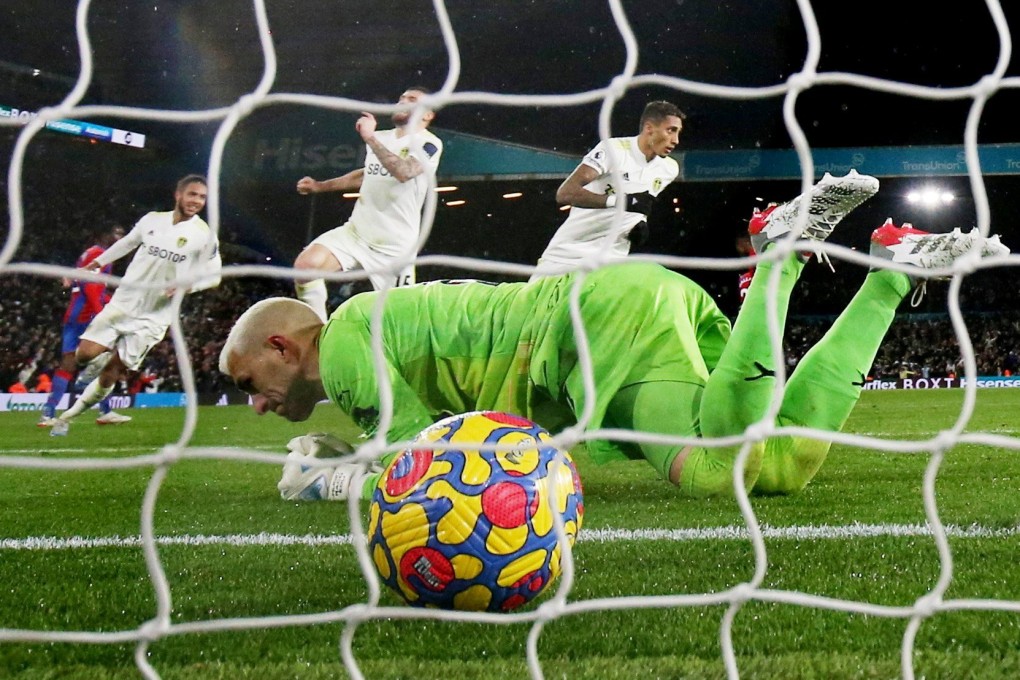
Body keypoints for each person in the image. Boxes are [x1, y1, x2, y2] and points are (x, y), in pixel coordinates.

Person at [218, 170, 1010, 502]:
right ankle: (890, 276)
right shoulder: (364, 333)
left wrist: (324, 479)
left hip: (589, 332)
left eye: (250, 384)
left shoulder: (349, 341)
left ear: (285, 348)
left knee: (716, 472)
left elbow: (433, 472)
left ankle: (778, 258)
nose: (254, 407)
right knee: (777, 470)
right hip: (614, 314)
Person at [49, 175, 222, 436]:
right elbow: (127, 243)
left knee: (113, 371)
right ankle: (103, 359)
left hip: (154, 316)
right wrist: (97, 264)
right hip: (124, 302)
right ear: (178, 194)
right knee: (84, 355)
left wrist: (188, 286)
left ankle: (69, 416)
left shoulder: (204, 235)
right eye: (192, 194)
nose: (196, 201)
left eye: (202, 197)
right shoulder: (152, 220)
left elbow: (215, 275)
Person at [293, 87, 443, 321]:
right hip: (357, 233)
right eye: (401, 97)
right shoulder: (382, 138)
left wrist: (370, 138)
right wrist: (319, 186)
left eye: (411, 100)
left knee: (398, 320)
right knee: (305, 267)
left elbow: (403, 171)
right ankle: (319, 335)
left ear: (427, 115)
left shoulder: (429, 144)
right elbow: (365, 175)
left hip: (394, 248)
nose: (402, 102)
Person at [531, 100, 683, 279]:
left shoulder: (669, 169)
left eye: (678, 132)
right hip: (568, 256)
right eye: (670, 130)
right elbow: (565, 193)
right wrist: (619, 201)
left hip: (612, 262)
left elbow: (640, 202)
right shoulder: (614, 150)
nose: (676, 140)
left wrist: (639, 223)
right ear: (649, 128)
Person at [38, 225, 129, 428]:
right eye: (116, 233)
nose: (120, 238)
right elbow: (91, 286)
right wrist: (101, 314)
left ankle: (48, 414)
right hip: (87, 316)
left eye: (122, 235)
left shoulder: (89, 253)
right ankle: (103, 409)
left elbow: (87, 285)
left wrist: (111, 300)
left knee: (68, 364)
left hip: (74, 314)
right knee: (106, 359)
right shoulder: (100, 254)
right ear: (103, 235)